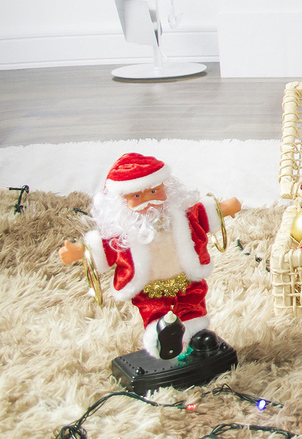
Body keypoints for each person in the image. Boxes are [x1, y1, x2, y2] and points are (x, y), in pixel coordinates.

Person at [59, 152, 241, 359]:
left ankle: (195, 332)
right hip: (149, 287)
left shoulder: (180, 215)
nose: (149, 201)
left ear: (165, 188)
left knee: (192, 302)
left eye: (154, 191)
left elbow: (202, 215)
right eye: (137, 196)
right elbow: (105, 247)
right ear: (121, 200)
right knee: (154, 311)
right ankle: (163, 336)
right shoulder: (124, 233)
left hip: (186, 278)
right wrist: (80, 251)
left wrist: (225, 208)